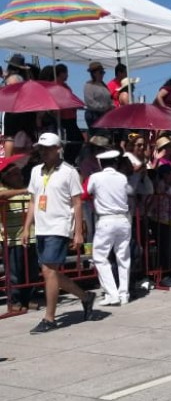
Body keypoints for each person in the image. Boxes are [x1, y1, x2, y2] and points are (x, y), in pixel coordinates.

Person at [21, 133, 96, 334]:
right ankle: (85, 297)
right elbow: (32, 201)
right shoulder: (36, 171)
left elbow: (77, 202)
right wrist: (27, 227)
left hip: (59, 227)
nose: (43, 152)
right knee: (51, 273)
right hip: (42, 228)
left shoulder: (69, 172)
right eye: (41, 148)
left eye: (47, 148)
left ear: (58, 148)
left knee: (49, 271)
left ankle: (50, 318)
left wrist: (78, 232)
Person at [86, 150, 133, 305]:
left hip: (106, 220)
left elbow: (86, 191)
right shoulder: (122, 177)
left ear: (100, 163)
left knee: (100, 257)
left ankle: (111, 293)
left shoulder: (96, 177)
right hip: (123, 219)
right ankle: (124, 294)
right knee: (123, 258)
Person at [0, 154, 39, 311]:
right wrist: (24, 190)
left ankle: (29, 298)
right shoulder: (5, 189)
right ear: (7, 177)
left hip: (31, 235)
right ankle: (15, 300)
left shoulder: (26, 190)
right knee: (15, 272)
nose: (20, 176)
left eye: (19, 173)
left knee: (31, 270)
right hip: (13, 236)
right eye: (15, 174)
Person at [83, 61, 113, 132]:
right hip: (94, 115)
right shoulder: (88, 86)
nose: (103, 75)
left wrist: (111, 106)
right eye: (101, 72)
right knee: (99, 135)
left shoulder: (103, 85)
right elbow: (90, 103)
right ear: (94, 73)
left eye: (103, 73)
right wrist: (105, 108)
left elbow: (109, 98)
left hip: (105, 115)